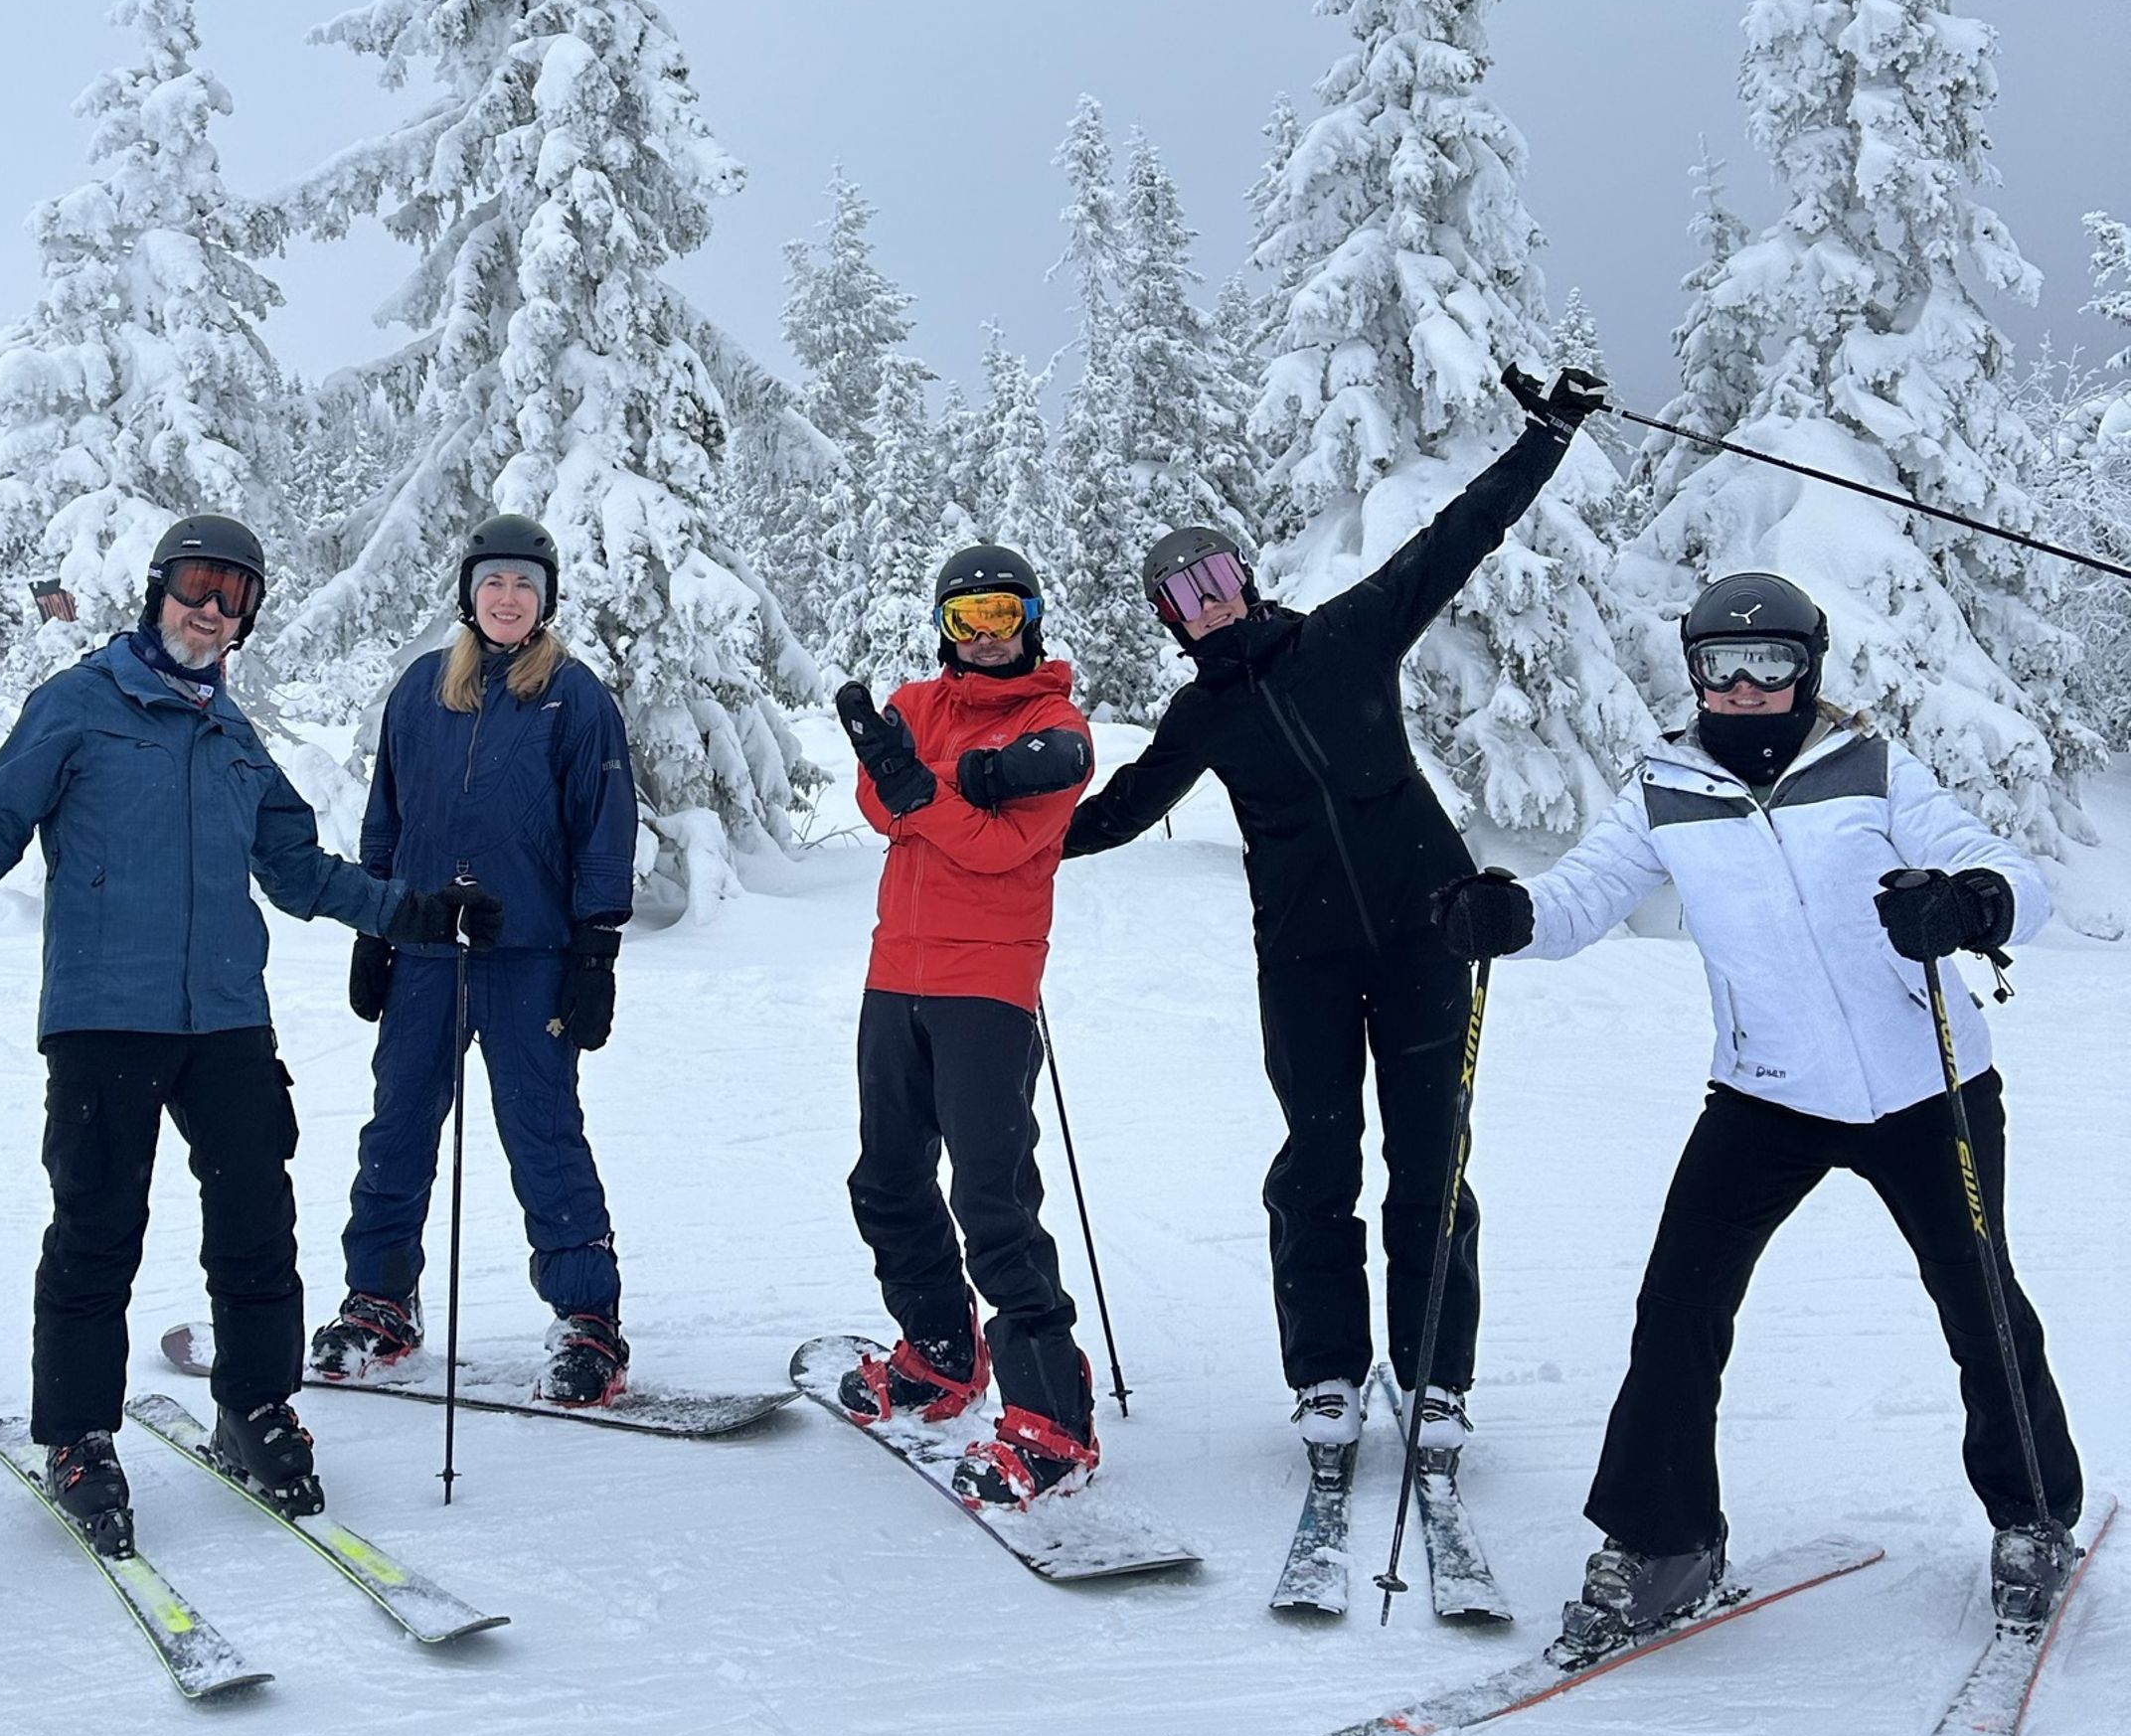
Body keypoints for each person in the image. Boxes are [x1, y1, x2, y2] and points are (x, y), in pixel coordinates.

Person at [1433, 569, 2085, 1648]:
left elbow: (2003, 864)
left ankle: (2032, 1517)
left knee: (1979, 1302)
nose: (1743, 684)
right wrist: (1508, 913)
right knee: (1678, 1307)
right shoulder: (1665, 786)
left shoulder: (1874, 766)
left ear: (1809, 665)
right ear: (1693, 672)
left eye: (1770, 662)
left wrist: (1969, 902)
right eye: (1719, 666)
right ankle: (1665, 1537)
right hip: (1767, 1090)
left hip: (1927, 1084)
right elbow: (1580, 897)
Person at [0, 516, 498, 1552]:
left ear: (245, 620)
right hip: (104, 1014)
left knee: (255, 1221)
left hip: (227, 1015)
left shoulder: (233, 736)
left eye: (232, 597)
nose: (210, 609)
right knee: (97, 1229)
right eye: (195, 586)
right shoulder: (78, 707)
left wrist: (414, 912)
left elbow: (298, 869)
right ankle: (79, 1437)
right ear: (157, 592)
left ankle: (255, 1407)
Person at [1061, 365, 1605, 1482]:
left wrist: (1543, 439)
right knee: (1317, 1159)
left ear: (1244, 575)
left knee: (1429, 1160)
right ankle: (1327, 1372)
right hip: (1301, 960)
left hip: (1427, 935)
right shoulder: (1198, 715)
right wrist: (995, 828)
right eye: (1181, 593)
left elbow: (1457, 540)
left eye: (1212, 574)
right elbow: (1115, 813)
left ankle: (1434, 1372)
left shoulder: (1347, 636)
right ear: (1170, 620)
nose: (1205, 599)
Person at [314, 514, 641, 1406]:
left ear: (546, 600)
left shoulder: (577, 699)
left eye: (525, 585)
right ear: (468, 592)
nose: (507, 598)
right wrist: (372, 928)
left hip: (529, 954)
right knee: (397, 1127)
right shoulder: (422, 690)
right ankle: (380, 1300)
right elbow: (386, 816)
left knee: (542, 1132)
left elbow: (605, 834)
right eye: (493, 582)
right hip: (424, 948)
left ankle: (588, 1321)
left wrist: (595, 952)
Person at [833, 543, 1100, 1506]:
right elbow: (879, 806)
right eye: (965, 619)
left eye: (1002, 615)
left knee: (992, 1200)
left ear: (1031, 619)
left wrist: (925, 794)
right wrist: (918, 784)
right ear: (942, 627)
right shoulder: (914, 705)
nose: (986, 636)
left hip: (987, 984)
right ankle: (944, 1345)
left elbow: (1000, 848)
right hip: (894, 972)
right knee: (887, 1177)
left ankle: (1052, 1415)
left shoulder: (1055, 724)